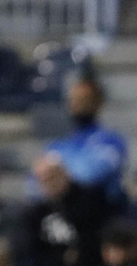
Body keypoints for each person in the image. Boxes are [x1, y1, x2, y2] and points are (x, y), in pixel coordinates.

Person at [48, 76, 128, 207]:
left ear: (97, 104)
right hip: (64, 211)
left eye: (83, 100)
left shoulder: (110, 141)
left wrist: (58, 175)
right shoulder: (60, 144)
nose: (77, 106)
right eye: (73, 100)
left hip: (101, 212)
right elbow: (36, 182)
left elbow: (90, 176)